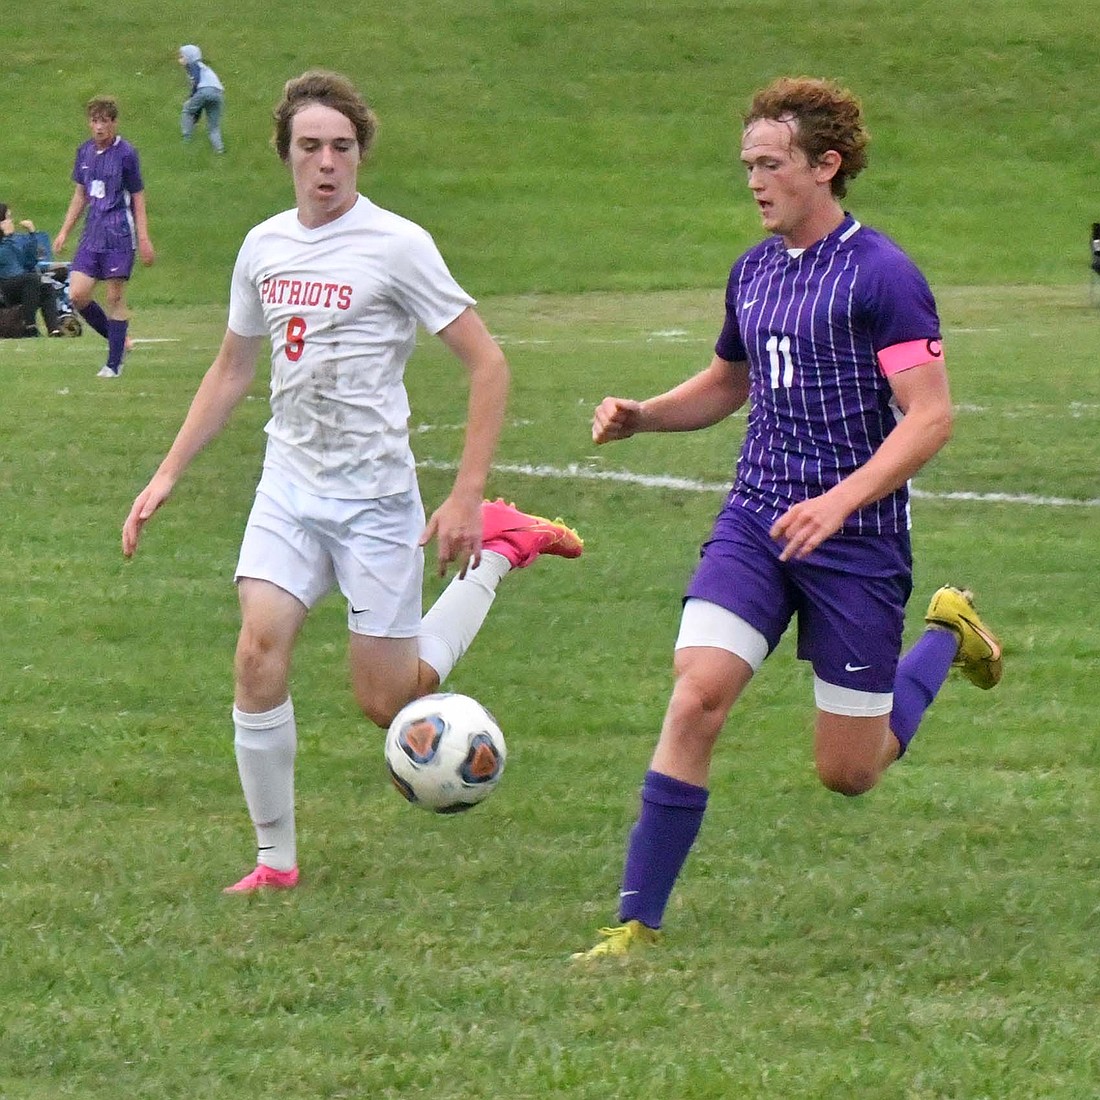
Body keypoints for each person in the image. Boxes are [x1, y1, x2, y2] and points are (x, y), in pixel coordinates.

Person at [120, 70, 583, 894]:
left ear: (359, 153)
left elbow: (488, 363)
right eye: (310, 147)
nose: (326, 163)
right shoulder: (262, 247)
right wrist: (166, 473)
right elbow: (232, 368)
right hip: (290, 489)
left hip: (375, 502)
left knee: (389, 702)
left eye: (341, 147)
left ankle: (499, 553)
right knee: (258, 650)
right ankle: (275, 862)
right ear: (286, 155)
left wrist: (468, 493)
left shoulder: (397, 245)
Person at [573, 76, 1003, 959]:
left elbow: (930, 416)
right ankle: (634, 925)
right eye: (748, 166)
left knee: (849, 772)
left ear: (826, 166)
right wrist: (645, 414)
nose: (755, 181)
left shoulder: (883, 275)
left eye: (771, 165)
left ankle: (944, 639)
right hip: (757, 521)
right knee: (696, 695)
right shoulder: (754, 271)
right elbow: (731, 382)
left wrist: (841, 501)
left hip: (857, 542)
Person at [53, 95, 155, 377]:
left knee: (114, 298)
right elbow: (80, 195)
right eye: (94, 121)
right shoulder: (84, 152)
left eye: (104, 121)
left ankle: (113, 364)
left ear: (114, 123)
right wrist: (64, 231)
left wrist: (144, 238)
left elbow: (138, 196)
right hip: (92, 235)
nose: (99, 127)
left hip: (119, 235)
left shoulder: (126, 154)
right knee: (78, 293)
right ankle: (119, 341)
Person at [0, 203, 62, 337]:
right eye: (8, 218)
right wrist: (8, 238)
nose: (11, 221)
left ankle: (54, 329)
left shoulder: (12, 240)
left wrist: (32, 234)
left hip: (22, 283)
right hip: (4, 286)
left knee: (46, 286)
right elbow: (4, 260)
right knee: (32, 279)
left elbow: (29, 262)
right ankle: (30, 325)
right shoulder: (8, 241)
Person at [178, 45, 225, 154]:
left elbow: (196, 82)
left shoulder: (193, 66)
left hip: (204, 90)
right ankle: (219, 149)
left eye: (182, 56)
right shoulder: (205, 68)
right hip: (218, 93)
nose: (180, 59)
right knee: (214, 126)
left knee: (186, 109)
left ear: (189, 57)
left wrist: (192, 97)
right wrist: (196, 115)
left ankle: (186, 138)